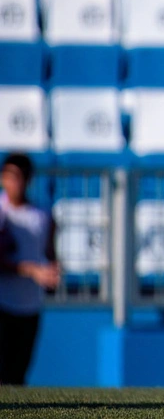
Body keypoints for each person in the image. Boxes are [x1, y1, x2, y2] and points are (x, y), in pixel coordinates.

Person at [0, 153, 58, 385]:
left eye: (20, 178)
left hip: (30, 304)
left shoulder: (42, 216)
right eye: (10, 177)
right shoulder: (2, 213)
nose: (15, 184)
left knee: (18, 375)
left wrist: (52, 272)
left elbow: (50, 253)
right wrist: (32, 270)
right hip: (3, 302)